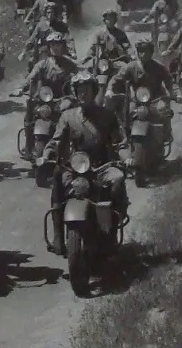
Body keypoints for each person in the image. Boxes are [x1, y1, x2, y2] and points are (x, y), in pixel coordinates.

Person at [43, 71, 132, 255]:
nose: (83, 94)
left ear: (94, 92)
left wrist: (127, 157)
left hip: (102, 167)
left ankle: (113, 226)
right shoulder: (67, 116)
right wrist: (47, 154)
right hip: (76, 167)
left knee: (117, 179)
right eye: (79, 90)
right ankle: (58, 235)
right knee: (57, 178)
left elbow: (119, 143)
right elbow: (56, 140)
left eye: (87, 90)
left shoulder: (107, 116)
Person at [13, 32, 81, 156]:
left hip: (62, 99)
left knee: (72, 116)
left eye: (57, 44)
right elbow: (30, 77)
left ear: (63, 46)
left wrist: (81, 82)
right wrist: (21, 88)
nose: (55, 47)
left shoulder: (69, 65)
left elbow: (78, 76)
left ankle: (74, 148)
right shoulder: (43, 64)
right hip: (44, 100)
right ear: (48, 47)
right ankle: (29, 145)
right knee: (30, 110)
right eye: (52, 44)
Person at [107, 39, 177, 136]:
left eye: (145, 51)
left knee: (164, 111)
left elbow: (169, 80)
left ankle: (167, 133)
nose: (142, 54)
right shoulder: (131, 67)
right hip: (138, 100)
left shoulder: (159, 67)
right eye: (140, 51)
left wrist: (173, 93)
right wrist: (110, 90)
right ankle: (126, 137)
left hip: (156, 99)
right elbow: (116, 79)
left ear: (151, 52)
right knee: (127, 113)